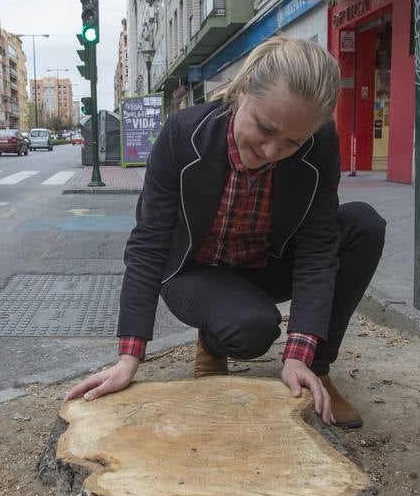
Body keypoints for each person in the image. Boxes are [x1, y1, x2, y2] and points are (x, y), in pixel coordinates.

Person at [65, 36, 387, 428]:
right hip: (196, 273)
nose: (271, 152)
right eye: (265, 128)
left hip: (265, 264)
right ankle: (213, 342)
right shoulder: (182, 134)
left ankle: (316, 371)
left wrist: (299, 354)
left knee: (363, 225)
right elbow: (149, 243)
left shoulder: (321, 143)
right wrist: (128, 357)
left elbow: (318, 246)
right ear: (245, 88)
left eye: (293, 142)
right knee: (253, 329)